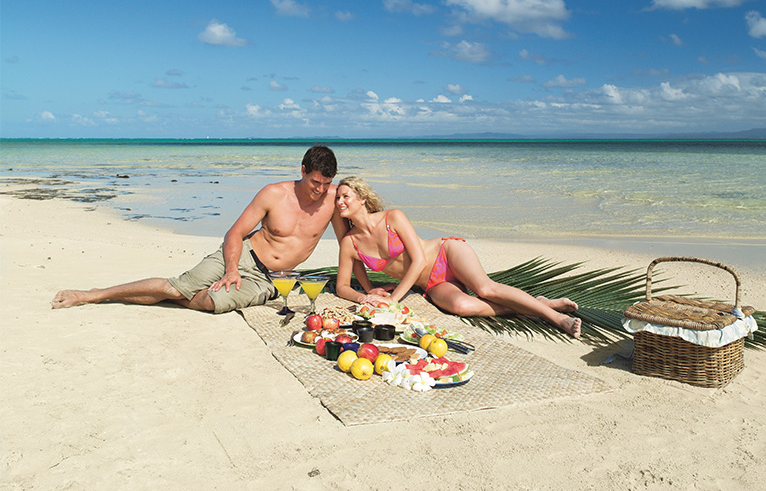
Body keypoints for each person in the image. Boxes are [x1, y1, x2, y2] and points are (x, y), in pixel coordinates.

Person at [51, 145, 348, 314]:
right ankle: (94, 294)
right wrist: (232, 269)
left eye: (326, 183)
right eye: (314, 182)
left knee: (212, 303)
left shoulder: (333, 200)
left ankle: (154, 295)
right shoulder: (274, 194)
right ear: (302, 172)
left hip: (271, 280)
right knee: (175, 287)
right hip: (242, 256)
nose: (319, 190)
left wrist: (364, 286)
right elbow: (233, 233)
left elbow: (348, 244)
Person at [334, 176, 581, 338]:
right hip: (431, 283)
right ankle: (538, 304)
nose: (340, 201)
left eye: (345, 196)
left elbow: (419, 260)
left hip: (446, 253)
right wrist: (365, 295)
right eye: (337, 198)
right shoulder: (350, 243)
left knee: (486, 289)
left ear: (362, 199)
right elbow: (342, 286)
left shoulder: (392, 217)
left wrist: (394, 300)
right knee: (463, 306)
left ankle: (558, 318)